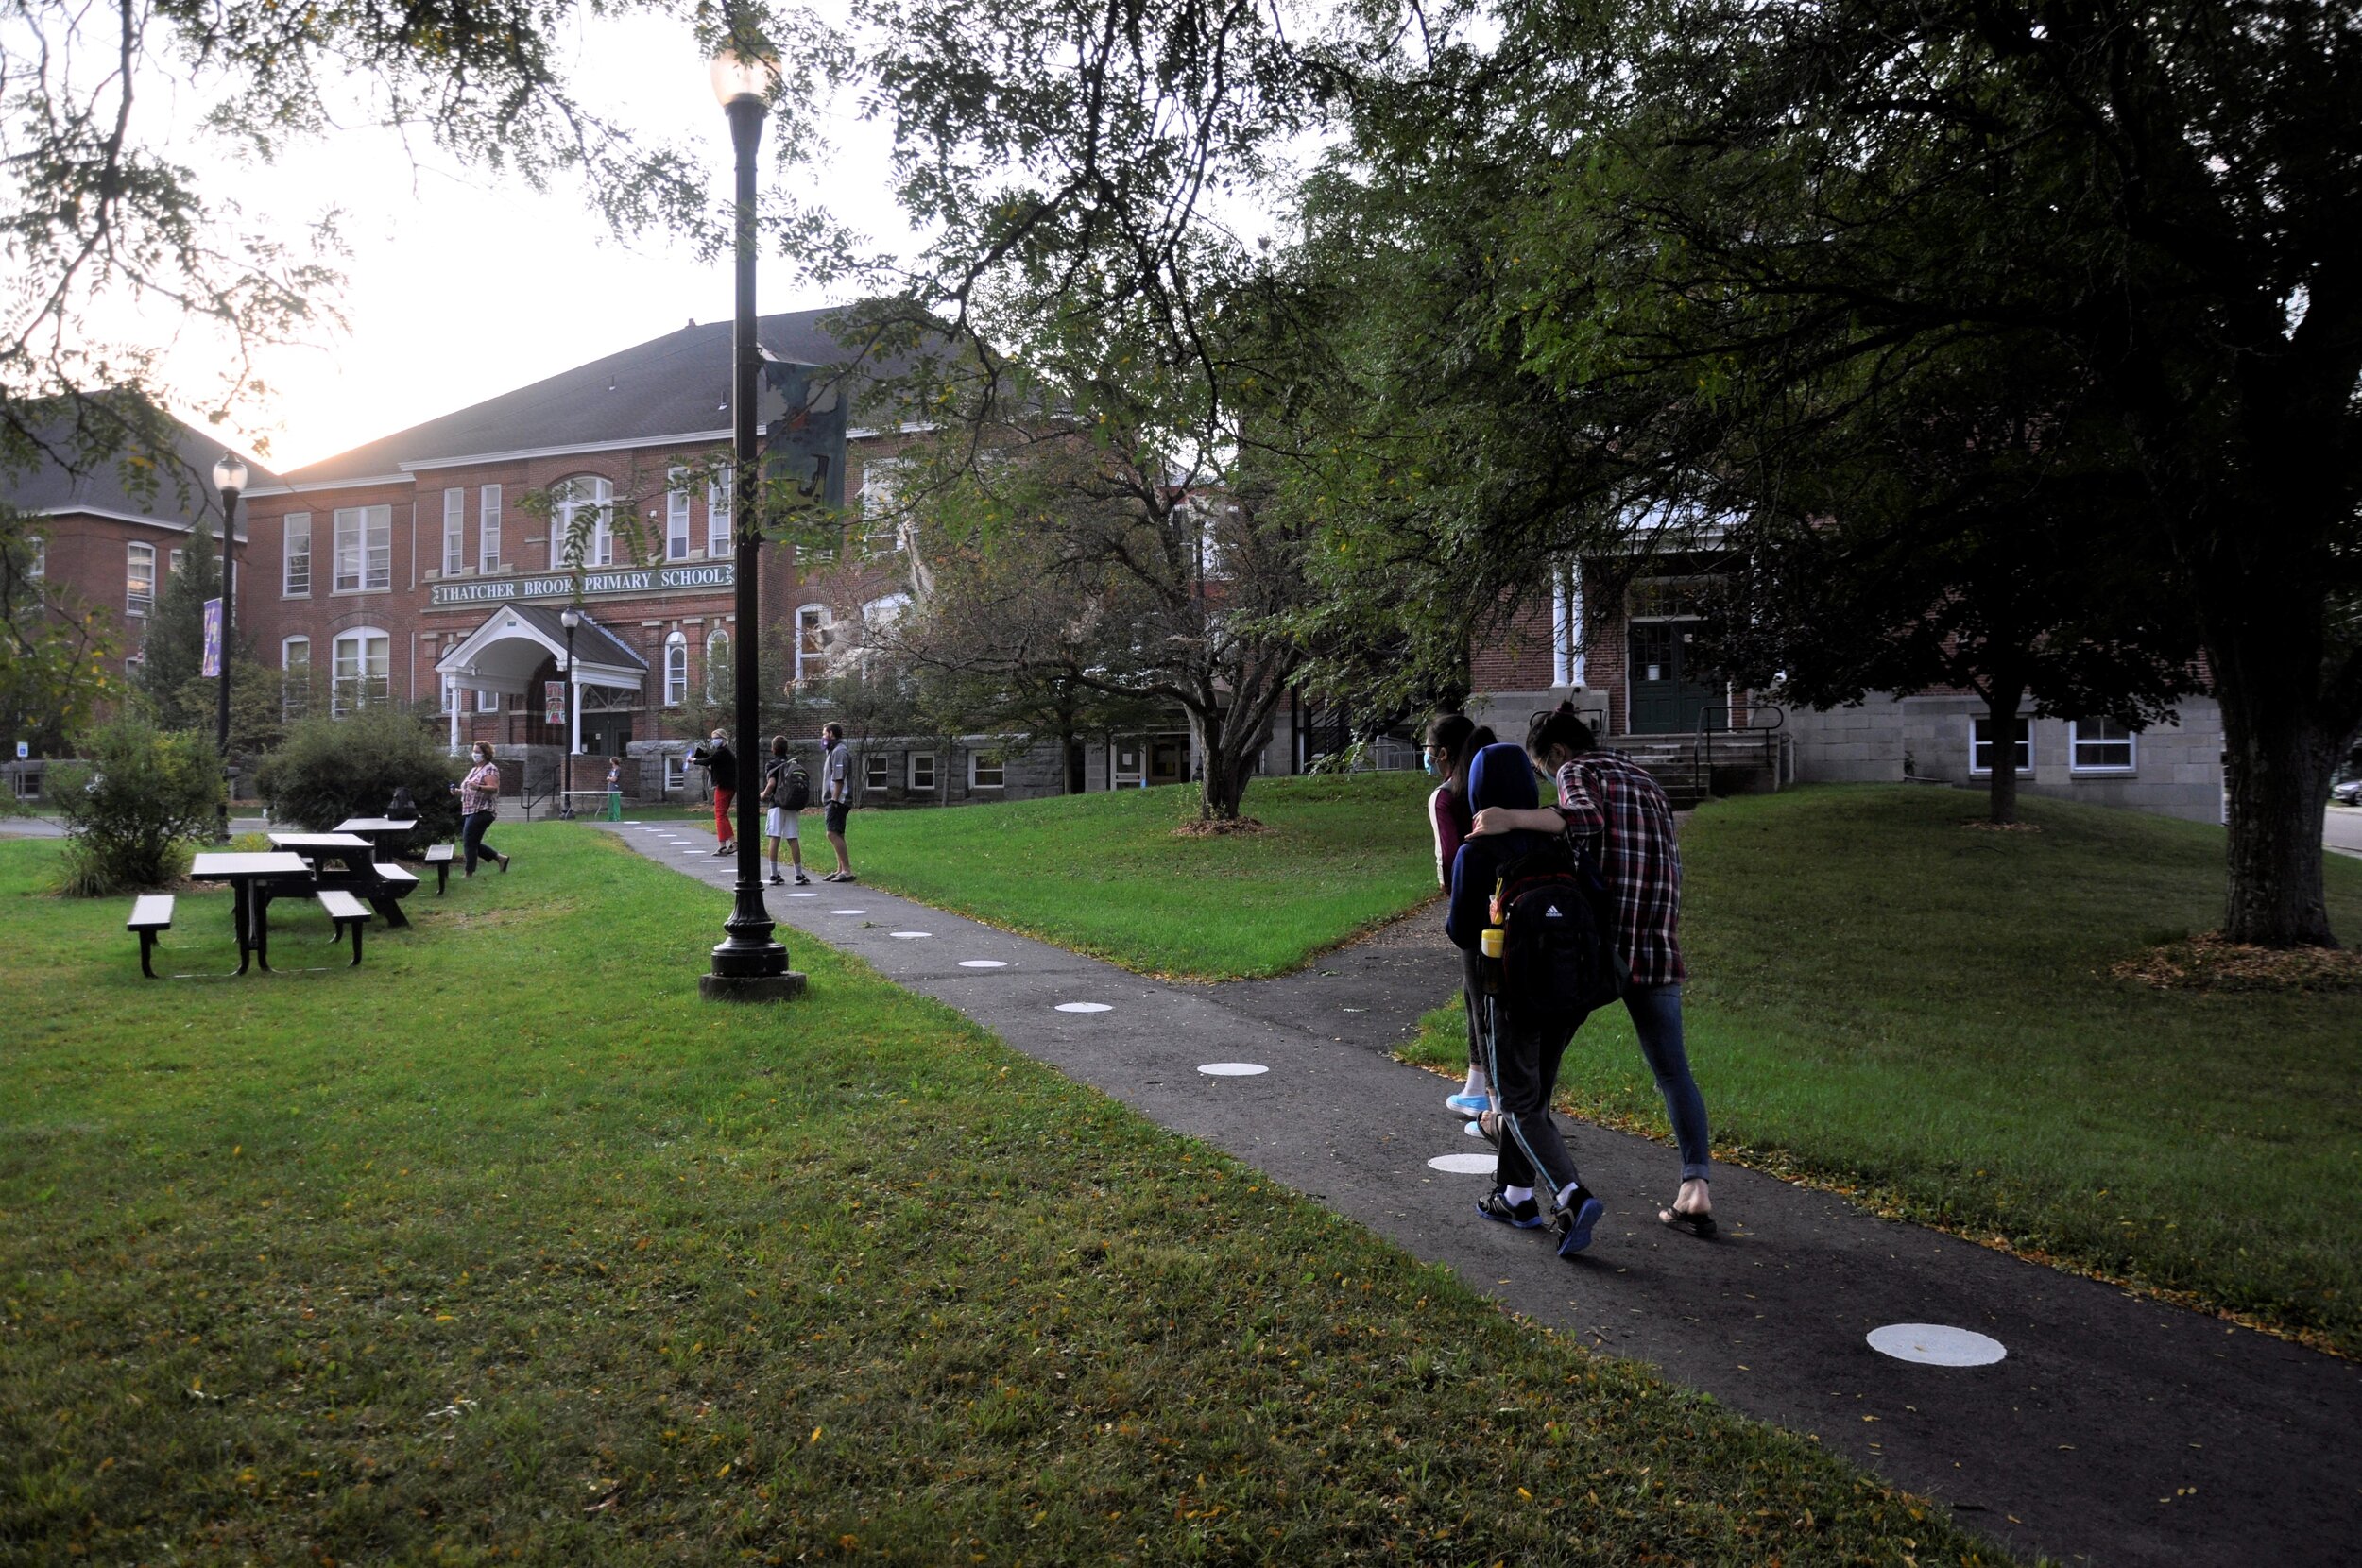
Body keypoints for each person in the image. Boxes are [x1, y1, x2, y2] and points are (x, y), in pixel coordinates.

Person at [1471, 702, 1716, 1238]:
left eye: (1545, 771)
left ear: (1558, 753)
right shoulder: (1646, 781)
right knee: (1673, 1073)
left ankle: (1529, 1181)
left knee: (1533, 1071)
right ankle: (1695, 1187)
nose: (1549, 782)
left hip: (1598, 955)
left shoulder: (1579, 772)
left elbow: (1582, 818)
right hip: (1658, 945)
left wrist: (1509, 818)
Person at [1446, 741, 1604, 1257]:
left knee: (1515, 1102)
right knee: (1533, 1102)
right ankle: (1515, 1196)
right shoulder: (1556, 845)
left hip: (1508, 993)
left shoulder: (1476, 851)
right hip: (1567, 991)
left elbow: (1461, 931)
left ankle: (1571, 1194)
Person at [1426, 712, 1497, 1118]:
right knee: (1485, 996)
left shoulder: (1447, 796)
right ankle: (1476, 1082)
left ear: (1444, 753)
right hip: (1512, 898)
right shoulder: (1495, 783)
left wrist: (1453, 894)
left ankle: (1490, 1099)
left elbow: (1449, 858)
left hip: (1474, 908)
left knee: (1478, 997)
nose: (1429, 757)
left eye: (1430, 750)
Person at [454, 742, 510, 877]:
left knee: (469, 841)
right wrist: (459, 791)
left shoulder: (490, 769)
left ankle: (468, 873)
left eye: (477, 752)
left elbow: (493, 788)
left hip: (483, 810)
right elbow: (469, 788)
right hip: (470, 809)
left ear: (485, 754)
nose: (474, 754)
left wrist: (478, 787)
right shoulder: (474, 769)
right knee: (472, 842)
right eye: (473, 751)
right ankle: (501, 858)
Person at [762, 735, 811, 886]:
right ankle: (798, 874)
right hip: (791, 804)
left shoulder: (771, 764)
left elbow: (771, 784)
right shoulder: (792, 764)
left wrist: (763, 794)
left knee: (774, 838)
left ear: (773, 749)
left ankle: (774, 874)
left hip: (776, 804)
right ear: (786, 749)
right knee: (792, 838)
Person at [818, 722, 855, 881]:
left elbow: (839, 778)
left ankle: (847, 870)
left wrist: (834, 800)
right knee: (837, 833)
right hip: (834, 799)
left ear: (832, 734)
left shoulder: (839, 752)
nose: (823, 737)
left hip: (838, 800)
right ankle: (840, 868)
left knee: (832, 833)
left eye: (824, 733)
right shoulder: (832, 751)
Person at [703, 728, 738, 856]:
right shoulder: (724, 753)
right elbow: (720, 771)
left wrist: (693, 760)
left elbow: (708, 760)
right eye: (713, 738)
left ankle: (728, 844)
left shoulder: (723, 752)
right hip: (726, 786)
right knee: (721, 815)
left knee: (720, 815)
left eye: (716, 738)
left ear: (723, 739)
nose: (714, 741)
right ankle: (727, 844)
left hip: (724, 787)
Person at [604, 757, 623, 821]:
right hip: (610, 789)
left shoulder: (618, 770)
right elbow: (608, 777)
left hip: (616, 789)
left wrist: (610, 778)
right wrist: (610, 778)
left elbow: (614, 779)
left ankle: (616, 818)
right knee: (610, 804)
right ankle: (610, 818)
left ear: (614, 762)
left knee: (616, 804)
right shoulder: (612, 770)